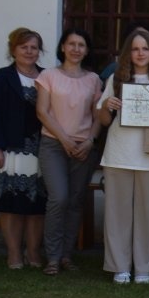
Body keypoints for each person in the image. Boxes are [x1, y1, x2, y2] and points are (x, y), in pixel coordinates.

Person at [95, 28, 149, 284]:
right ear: (128, 53)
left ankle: (144, 268)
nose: (140, 53)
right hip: (118, 153)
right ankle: (119, 266)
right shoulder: (117, 79)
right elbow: (103, 119)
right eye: (135, 49)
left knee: (146, 214)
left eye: (145, 48)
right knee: (117, 214)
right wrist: (107, 105)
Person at [35, 28, 102, 276]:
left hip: (83, 148)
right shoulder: (48, 76)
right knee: (59, 198)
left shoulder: (94, 79)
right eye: (71, 44)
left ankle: (65, 255)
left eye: (81, 45)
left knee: (75, 201)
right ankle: (52, 257)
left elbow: (98, 116)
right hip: (54, 144)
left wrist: (90, 141)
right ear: (62, 47)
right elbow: (42, 111)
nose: (76, 49)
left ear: (86, 50)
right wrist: (64, 139)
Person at [0, 27, 47, 270]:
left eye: (34, 47)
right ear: (13, 50)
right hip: (9, 150)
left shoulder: (47, 77)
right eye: (23, 47)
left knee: (37, 205)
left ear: (39, 51)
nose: (29, 52)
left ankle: (34, 253)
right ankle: (14, 253)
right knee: (10, 205)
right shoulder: (0, 77)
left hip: (42, 150)